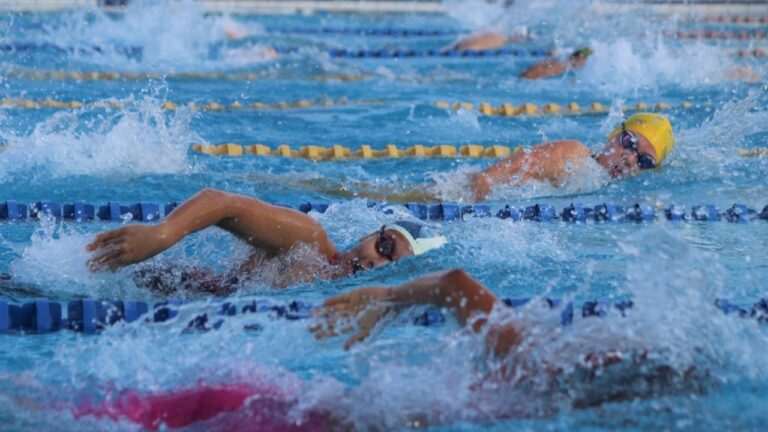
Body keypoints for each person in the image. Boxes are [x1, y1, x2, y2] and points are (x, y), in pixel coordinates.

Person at [69, 269, 701, 429]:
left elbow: (455, 287)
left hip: (287, 403)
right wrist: (383, 298)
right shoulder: (536, 376)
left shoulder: (534, 365)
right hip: (299, 417)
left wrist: (386, 300)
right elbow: (456, 285)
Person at [86, 189, 446, 291]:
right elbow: (222, 203)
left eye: (390, 265)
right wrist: (161, 234)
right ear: (372, 234)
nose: (374, 263)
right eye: (384, 248)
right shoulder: (310, 242)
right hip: (162, 287)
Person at [299, 112, 675, 203]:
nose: (628, 158)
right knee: (367, 194)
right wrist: (477, 194)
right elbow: (505, 171)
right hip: (465, 193)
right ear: (615, 133)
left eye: (642, 161)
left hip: (481, 198)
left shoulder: (601, 184)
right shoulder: (575, 154)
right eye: (629, 142)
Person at [519, 47, 593, 79]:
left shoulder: (559, 61)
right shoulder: (568, 66)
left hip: (527, 72)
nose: (583, 64)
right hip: (533, 76)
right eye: (583, 61)